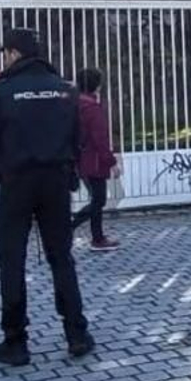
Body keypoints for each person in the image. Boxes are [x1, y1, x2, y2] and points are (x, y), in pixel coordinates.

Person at [0, 28, 92, 366]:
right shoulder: (66, 89)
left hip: (17, 184)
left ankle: (16, 341)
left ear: (14, 53)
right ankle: (76, 334)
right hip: (56, 182)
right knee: (62, 258)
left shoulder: (3, 90)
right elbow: (78, 139)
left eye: (5, 53)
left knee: (11, 259)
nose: (4, 59)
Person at [70, 68, 122, 251]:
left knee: (96, 199)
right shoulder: (92, 108)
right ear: (96, 85)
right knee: (98, 200)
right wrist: (112, 162)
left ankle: (96, 237)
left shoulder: (74, 104)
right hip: (94, 160)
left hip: (78, 158)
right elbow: (100, 139)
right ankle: (82, 232)